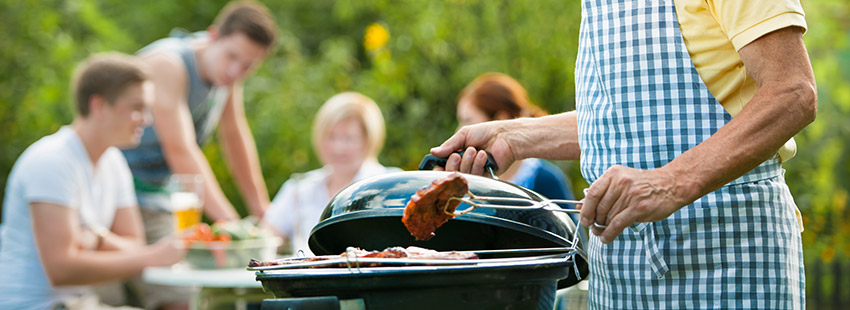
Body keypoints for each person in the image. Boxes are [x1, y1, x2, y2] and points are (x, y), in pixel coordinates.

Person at [431, 1, 815, 309]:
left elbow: (793, 92)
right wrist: (510, 136)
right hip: (619, 275)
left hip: (728, 261)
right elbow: (626, 122)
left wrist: (670, 183)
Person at [118, 1, 276, 308]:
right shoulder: (169, 64)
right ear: (213, 35)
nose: (235, 71)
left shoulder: (228, 77)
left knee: (183, 298)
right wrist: (235, 228)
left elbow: (235, 137)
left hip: (155, 199)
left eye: (247, 66)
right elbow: (181, 152)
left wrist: (263, 212)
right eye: (232, 57)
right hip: (114, 197)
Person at [0, 53, 185, 310]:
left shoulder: (114, 161)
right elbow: (62, 270)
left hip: (78, 303)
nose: (147, 119)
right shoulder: (52, 161)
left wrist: (98, 238)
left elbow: (133, 243)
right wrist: (153, 257)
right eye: (136, 108)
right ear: (98, 106)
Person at [261, 92, 400, 255]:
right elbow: (264, 241)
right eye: (331, 137)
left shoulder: (391, 186)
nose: (338, 148)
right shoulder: (298, 189)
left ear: (368, 140)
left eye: (349, 139)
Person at [456, 72, 574, 202]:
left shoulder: (546, 180)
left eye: (467, 120)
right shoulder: (467, 182)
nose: (460, 130)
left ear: (499, 120)